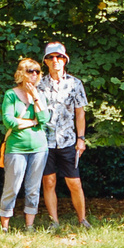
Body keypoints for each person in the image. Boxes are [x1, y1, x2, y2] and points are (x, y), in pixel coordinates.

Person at [35, 41, 90, 229]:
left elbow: (80, 113)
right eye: (51, 57)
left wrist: (81, 139)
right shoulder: (39, 84)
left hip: (68, 140)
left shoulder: (75, 83)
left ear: (65, 60)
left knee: (74, 182)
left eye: (59, 57)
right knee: (49, 181)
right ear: (46, 62)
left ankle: (82, 220)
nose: (55, 60)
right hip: (45, 141)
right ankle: (54, 222)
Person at [0, 57, 47, 230]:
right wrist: (32, 122)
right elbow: (9, 121)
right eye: (29, 71)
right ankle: (4, 226)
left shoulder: (39, 95)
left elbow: (44, 119)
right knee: (12, 187)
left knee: (33, 188)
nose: (34, 75)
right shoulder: (11, 94)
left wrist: (35, 98)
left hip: (39, 148)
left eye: (37, 71)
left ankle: (29, 226)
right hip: (16, 148)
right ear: (21, 73)